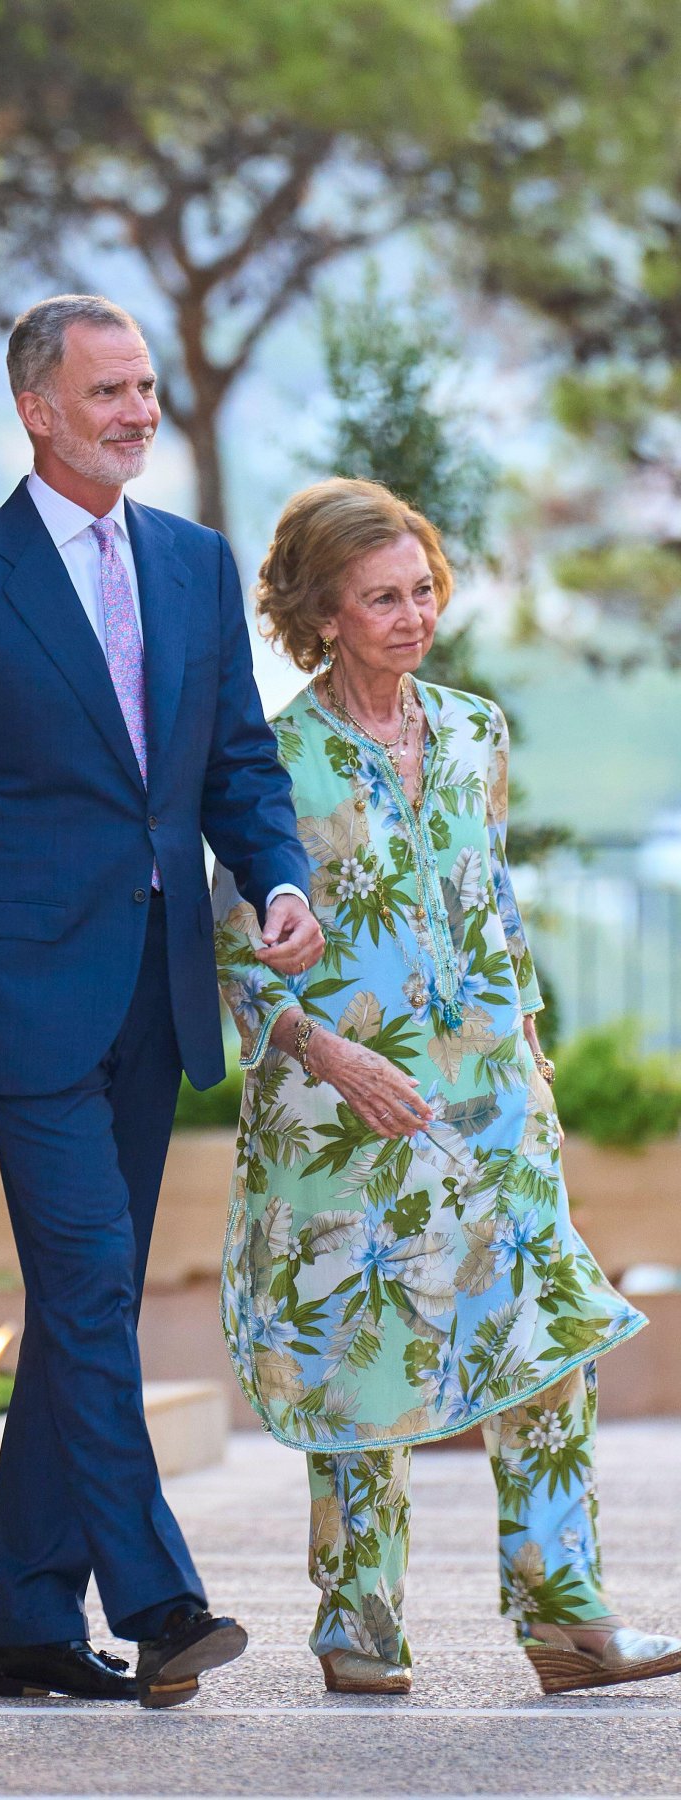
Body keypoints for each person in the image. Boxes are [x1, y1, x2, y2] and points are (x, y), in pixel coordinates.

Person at [0, 294, 323, 1707]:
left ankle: (28, 1623)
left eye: (146, 389)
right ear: (38, 409)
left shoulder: (194, 566)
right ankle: (161, 1596)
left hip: (157, 986)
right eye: (109, 390)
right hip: (19, 1000)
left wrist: (280, 873)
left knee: (96, 1299)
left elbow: (234, 762)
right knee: (78, 1284)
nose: (137, 411)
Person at [214, 475, 681, 1697]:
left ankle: (565, 1614)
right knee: (363, 1352)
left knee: (549, 1340)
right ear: (321, 615)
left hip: (488, 1100)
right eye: (381, 599)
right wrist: (329, 1053)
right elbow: (234, 956)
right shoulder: (271, 758)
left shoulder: (477, 729)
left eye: (423, 590)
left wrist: (528, 1055)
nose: (413, 616)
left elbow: (490, 904)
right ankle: (358, 1622)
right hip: (337, 1111)